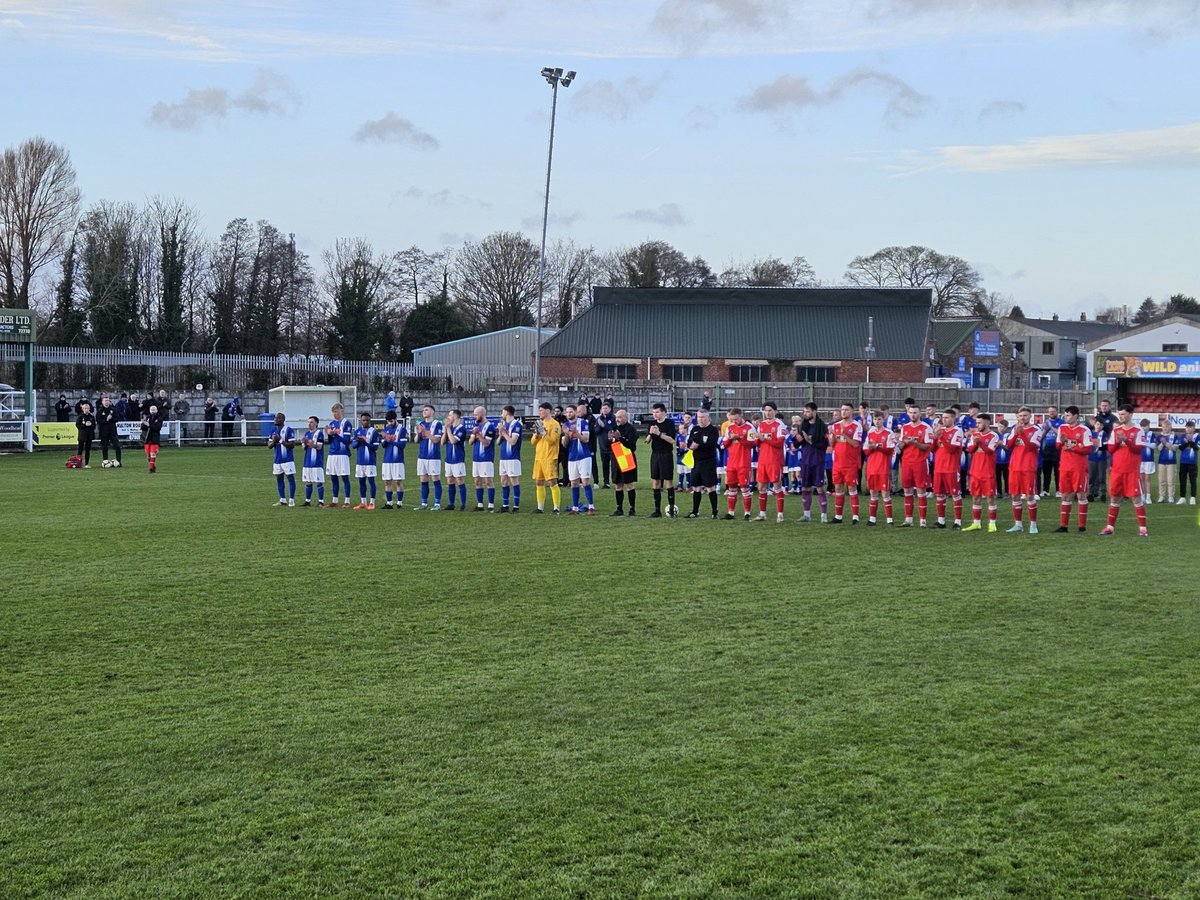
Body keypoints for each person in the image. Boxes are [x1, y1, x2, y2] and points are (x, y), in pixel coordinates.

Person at [1101, 403, 1149, 537]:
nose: (1121, 417)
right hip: (1117, 470)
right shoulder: (1116, 430)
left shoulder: (1138, 430)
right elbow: (1110, 449)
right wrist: (1118, 441)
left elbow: (1138, 449)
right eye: (1119, 414)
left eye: (1123, 414)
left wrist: (1126, 440)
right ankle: (1110, 527)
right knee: (1115, 498)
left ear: (1131, 414)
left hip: (1131, 471)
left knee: (1136, 499)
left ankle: (1143, 529)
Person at [1054, 405, 1093, 532]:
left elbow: (1088, 449)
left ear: (1076, 416)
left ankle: (1082, 527)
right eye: (1065, 415)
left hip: (1079, 468)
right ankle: (1063, 526)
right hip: (1065, 467)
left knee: (1081, 496)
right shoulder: (1062, 428)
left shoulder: (1084, 430)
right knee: (1065, 496)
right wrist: (1062, 441)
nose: (1066, 417)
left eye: (1068, 415)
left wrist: (1073, 448)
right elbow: (1058, 446)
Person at [1005, 407, 1042, 534]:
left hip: (1028, 467)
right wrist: (1016, 433)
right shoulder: (1014, 429)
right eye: (1020, 415)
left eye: (1025, 415)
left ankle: (1033, 525)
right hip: (1015, 467)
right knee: (1015, 496)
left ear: (1030, 416)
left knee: (1029, 496)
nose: (1022, 418)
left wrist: (1023, 434)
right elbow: (1008, 446)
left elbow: (1032, 447)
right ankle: (1018, 524)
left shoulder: (1036, 429)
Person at [962, 414, 1000, 532]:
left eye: (980, 423)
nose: (977, 425)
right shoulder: (975, 435)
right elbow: (970, 450)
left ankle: (992, 524)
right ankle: (976, 523)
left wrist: (980, 443)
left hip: (987, 472)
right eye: (977, 423)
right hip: (975, 471)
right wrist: (975, 443)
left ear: (987, 423)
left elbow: (990, 451)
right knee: (975, 498)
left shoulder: (993, 435)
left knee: (990, 498)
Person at [898, 401, 933, 527]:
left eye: (915, 413)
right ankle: (908, 519)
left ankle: (922, 520)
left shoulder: (926, 428)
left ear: (920, 414)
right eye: (911, 413)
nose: (913, 415)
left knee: (921, 491)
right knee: (907, 491)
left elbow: (928, 447)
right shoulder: (905, 427)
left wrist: (914, 443)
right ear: (908, 413)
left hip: (920, 462)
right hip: (907, 462)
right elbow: (900, 445)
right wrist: (903, 443)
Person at [829, 403, 864, 524]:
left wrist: (844, 435)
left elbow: (856, 444)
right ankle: (838, 516)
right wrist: (832, 436)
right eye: (842, 410)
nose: (843, 412)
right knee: (838, 488)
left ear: (852, 411)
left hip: (850, 463)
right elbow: (832, 444)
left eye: (846, 410)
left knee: (852, 488)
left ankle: (855, 517)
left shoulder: (856, 426)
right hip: (838, 463)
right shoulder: (836, 425)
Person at [753, 402, 788, 523]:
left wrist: (764, 439)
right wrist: (758, 439)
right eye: (766, 411)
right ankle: (762, 514)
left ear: (775, 411)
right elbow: (757, 443)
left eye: (770, 410)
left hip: (774, 460)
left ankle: (780, 514)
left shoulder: (780, 425)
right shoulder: (761, 425)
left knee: (777, 486)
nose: (767, 413)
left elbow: (779, 443)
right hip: (763, 460)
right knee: (761, 487)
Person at [685, 407, 721, 518]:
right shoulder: (695, 429)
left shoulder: (713, 430)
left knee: (710, 487)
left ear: (708, 418)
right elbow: (689, 442)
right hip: (696, 462)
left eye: (702, 417)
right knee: (696, 487)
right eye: (698, 417)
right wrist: (691, 446)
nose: (700, 419)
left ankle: (714, 512)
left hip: (708, 462)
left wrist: (699, 445)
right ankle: (695, 511)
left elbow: (712, 444)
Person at [796, 402, 829, 523]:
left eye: (808, 411)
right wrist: (798, 441)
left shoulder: (822, 426)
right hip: (805, 461)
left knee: (820, 488)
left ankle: (823, 516)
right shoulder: (802, 426)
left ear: (814, 411)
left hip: (818, 461)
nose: (805, 414)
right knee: (805, 487)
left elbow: (824, 445)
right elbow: (797, 444)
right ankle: (806, 515)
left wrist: (809, 440)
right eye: (804, 411)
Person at [931, 409, 964, 529]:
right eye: (943, 418)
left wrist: (942, 437)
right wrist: (935, 438)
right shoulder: (941, 431)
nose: (944, 420)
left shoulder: (957, 431)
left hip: (951, 468)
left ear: (953, 418)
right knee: (940, 495)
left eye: (947, 417)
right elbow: (933, 449)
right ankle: (941, 521)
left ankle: (957, 522)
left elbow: (952, 449)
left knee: (955, 494)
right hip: (939, 468)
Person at [721, 408, 755, 520]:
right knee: (731, 487)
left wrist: (739, 438)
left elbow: (752, 444)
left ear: (741, 416)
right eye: (732, 419)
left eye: (736, 419)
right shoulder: (730, 428)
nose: (734, 421)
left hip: (743, 463)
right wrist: (731, 439)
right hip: (732, 462)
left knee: (744, 488)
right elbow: (724, 444)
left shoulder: (749, 428)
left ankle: (747, 512)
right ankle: (731, 512)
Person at [645, 402, 677, 518]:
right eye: (653, 412)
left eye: (657, 412)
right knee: (655, 481)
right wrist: (650, 433)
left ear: (663, 412)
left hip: (666, 454)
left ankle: (671, 508)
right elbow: (647, 441)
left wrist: (659, 433)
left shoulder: (669, 423)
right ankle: (657, 510)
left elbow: (672, 440)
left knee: (668, 481)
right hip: (655, 455)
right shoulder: (652, 424)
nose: (655, 414)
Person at [863, 411, 895, 526]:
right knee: (873, 493)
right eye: (875, 419)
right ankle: (872, 519)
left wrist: (877, 446)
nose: (877, 421)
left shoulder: (888, 433)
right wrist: (871, 448)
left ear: (883, 420)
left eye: (879, 419)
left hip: (883, 467)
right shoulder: (870, 433)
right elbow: (865, 450)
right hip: (872, 468)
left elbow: (890, 450)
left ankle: (889, 519)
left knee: (885, 494)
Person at [563, 403, 596, 515]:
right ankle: (575, 508)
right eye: (567, 412)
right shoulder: (566, 425)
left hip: (584, 456)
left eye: (571, 412)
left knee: (585, 481)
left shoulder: (583, 423)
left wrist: (577, 434)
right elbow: (564, 444)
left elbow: (586, 439)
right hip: (572, 457)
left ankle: (591, 507)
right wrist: (566, 434)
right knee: (574, 483)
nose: (568, 414)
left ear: (576, 412)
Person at [531, 402, 563, 514]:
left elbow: (552, 441)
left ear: (548, 411)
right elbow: (533, 442)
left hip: (550, 457)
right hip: (539, 457)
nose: (539, 412)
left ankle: (556, 507)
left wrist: (544, 433)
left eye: (541, 410)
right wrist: (536, 434)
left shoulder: (555, 424)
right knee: (539, 482)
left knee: (552, 482)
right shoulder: (540, 423)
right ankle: (540, 507)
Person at [607, 408, 640, 516]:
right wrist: (609, 440)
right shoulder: (614, 428)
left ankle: (632, 509)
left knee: (629, 484)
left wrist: (620, 438)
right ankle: (619, 509)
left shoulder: (631, 429)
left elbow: (632, 446)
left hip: (627, 459)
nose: (617, 419)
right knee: (618, 484)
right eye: (616, 417)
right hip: (616, 459)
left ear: (625, 418)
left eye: (620, 417)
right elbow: (609, 445)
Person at [414, 404, 445, 510]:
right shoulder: (421, 424)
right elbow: (416, 441)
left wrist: (425, 432)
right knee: (423, 480)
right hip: (422, 456)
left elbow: (437, 440)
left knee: (435, 479)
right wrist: (418, 433)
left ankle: (437, 504)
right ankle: (424, 503)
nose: (424, 411)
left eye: (426, 410)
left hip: (433, 456)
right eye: (423, 410)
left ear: (432, 412)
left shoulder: (437, 424)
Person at [323, 403, 354, 508]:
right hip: (332, 454)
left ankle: (347, 501)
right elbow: (330, 441)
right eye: (333, 412)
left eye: (336, 411)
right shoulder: (332, 423)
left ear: (341, 410)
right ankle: (334, 501)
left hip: (342, 454)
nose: (335, 414)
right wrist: (328, 433)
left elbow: (346, 440)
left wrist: (334, 434)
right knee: (333, 477)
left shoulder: (346, 424)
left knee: (344, 477)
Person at [468, 405, 496, 511]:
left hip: (486, 458)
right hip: (476, 458)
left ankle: (491, 505)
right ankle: (480, 505)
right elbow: (470, 442)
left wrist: (478, 435)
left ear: (482, 414)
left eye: (476, 415)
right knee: (477, 481)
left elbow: (487, 443)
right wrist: (474, 436)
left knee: (488, 481)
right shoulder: (476, 425)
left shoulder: (490, 427)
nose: (474, 416)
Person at [441, 409, 469, 511]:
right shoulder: (450, 428)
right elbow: (442, 443)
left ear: (455, 416)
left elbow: (453, 441)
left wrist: (448, 429)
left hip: (458, 458)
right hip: (448, 458)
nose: (448, 417)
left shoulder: (461, 429)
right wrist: (446, 429)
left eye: (450, 415)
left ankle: (463, 504)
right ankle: (451, 504)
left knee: (459, 480)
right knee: (450, 480)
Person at [267, 411, 297, 506]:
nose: (276, 419)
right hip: (277, 460)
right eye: (275, 418)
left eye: (278, 418)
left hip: (287, 460)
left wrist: (280, 440)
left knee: (290, 479)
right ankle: (282, 499)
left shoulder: (288, 430)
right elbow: (269, 446)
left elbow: (292, 445)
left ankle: (291, 500)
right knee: (279, 479)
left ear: (283, 420)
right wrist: (274, 442)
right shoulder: (273, 430)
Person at [496, 406, 522, 513]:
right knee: (503, 480)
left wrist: (504, 432)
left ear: (506, 412)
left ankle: (516, 506)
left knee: (514, 480)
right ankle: (505, 505)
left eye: (502, 412)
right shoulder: (504, 424)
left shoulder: (517, 424)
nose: (501, 414)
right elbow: (498, 443)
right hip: (503, 458)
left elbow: (513, 441)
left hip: (513, 457)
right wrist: (500, 433)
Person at [352, 411, 380, 509]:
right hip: (360, 461)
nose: (365, 422)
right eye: (363, 420)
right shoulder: (357, 431)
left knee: (371, 482)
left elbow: (375, 447)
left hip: (370, 462)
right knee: (361, 482)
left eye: (367, 420)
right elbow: (353, 445)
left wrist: (365, 442)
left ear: (370, 421)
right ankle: (363, 502)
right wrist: (359, 441)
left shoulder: (374, 432)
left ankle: (372, 502)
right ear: (361, 421)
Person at [381, 409, 407, 508]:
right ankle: (389, 503)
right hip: (387, 459)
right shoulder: (386, 429)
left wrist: (390, 440)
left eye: (391, 421)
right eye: (388, 421)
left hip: (398, 460)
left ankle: (399, 503)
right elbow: (383, 445)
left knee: (398, 481)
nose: (390, 423)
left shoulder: (402, 429)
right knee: (387, 481)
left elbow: (402, 445)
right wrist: (385, 439)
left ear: (395, 419)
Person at [301, 415, 327, 507]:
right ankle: (307, 501)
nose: (309, 424)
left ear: (316, 423)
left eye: (311, 422)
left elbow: (319, 447)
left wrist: (311, 444)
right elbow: (304, 448)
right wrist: (304, 443)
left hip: (317, 462)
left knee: (319, 482)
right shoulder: (307, 434)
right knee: (308, 482)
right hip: (307, 462)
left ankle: (321, 501)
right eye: (308, 422)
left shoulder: (319, 433)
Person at [1039, 405, 1064, 496]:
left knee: (1058, 471)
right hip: (1047, 449)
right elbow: (1041, 437)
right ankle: (1046, 490)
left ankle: (1059, 490)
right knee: (1046, 471)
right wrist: (1045, 430)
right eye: (1050, 411)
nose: (1051, 413)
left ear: (1057, 412)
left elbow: (1061, 434)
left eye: (1053, 411)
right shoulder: (1046, 422)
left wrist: (1052, 427)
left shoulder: (1061, 422)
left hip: (1058, 449)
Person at [96, 393, 122, 467]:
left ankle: (119, 462)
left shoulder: (113, 409)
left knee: (117, 446)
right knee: (104, 447)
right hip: (104, 431)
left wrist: (111, 419)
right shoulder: (100, 411)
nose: (107, 402)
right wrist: (106, 420)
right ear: (102, 402)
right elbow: (98, 420)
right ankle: (105, 461)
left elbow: (117, 418)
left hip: (112, 431)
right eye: (105, 400)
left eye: (108, 400)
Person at [1085, 415, 1107, 503]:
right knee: (1091, 476)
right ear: (1094, 424)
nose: (1099, 426)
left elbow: (1105, 445)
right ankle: (1091, 493)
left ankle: (1103, 493)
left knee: (1101, 477)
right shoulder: (1090, 433)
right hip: (1092, 458)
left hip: (1101, 459)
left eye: (1101, 425)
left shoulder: (1103, 434)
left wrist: (1099, 447)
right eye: (1098, 424)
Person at [1156, 417, 1178, 504]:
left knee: (1171, 480)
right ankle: (1162, 496)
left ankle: (1171, 496)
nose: (1165, 428)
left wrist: (1166, 443)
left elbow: (1174, 448)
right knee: (1161, 480)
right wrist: (1162, 443)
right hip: (1161, 461)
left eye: (1167, 426)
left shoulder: (1174, 436)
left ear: (1170, 427)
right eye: (1164, 427)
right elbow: (1159, 449)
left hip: (1171, 462)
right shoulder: (1160, 436)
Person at [595, 402, 616, 488]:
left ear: (610, 409)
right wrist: (600, 426)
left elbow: (613, 429)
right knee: (605, 465)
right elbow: (596, 431)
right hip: (602, 446)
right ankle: (606, 482)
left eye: (606, 408)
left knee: (614, 465)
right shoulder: (599, 419)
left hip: (613, 446)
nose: (604, 410)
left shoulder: (614, 418)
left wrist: (604, 425)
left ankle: (616, 481)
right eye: (603, 408)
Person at [1178, 421, 1198, 505]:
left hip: (1192, 462)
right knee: (1182, 480)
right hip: (1183, 462)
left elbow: (1197, 448)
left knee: (1193, 480)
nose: (1189, 429)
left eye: (1190, 427)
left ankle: (1193, 497)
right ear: (1185, 428)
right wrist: (1187, 442)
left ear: (1194, 428)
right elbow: (1181, 448)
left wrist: (1190, 442)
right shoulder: (1183, 436)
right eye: (1187, 427)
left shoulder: (1197, 437)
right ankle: (1182, 497)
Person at [1137, 418, 1156, 505]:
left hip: (1149, 459)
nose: (1144, 428)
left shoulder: (1151, 434)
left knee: (1147, 478)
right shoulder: (1139, 434)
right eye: (1143, 426)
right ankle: (1142, 495)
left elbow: (1154, 446)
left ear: (1149, 426)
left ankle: (1148, 496)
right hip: (1140, 459)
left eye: (1146, 426)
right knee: (1141, 478)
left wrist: (1145, 443)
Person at [675, 411, 694, 495]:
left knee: (688, 470)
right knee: (681, 471)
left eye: (689, 417)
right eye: (685, 417)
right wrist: (678, 450)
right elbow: (677, 444)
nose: (687, 419)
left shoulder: (693, 428)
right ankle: (680, 485)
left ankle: (689, 485)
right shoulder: (679, 436)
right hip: (680, 456)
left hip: (688, 455)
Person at [143, 405, 164, 473]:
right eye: (151, 410)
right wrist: (143, 423)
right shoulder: (148, 418)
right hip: (147, 439)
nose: (152, 411)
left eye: (154, 409)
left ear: (156, 410)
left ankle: (151, 469)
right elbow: (143, 428)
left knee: (152, 454)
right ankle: (153, 466)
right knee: (148, 456)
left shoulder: (159, 418)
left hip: (154, 438)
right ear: (149, 411)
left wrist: (149, 425)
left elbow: (157, 428)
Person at [75, 401, 96, 468]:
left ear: (89, 409)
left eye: (87, 408)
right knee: (80, 450)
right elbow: (77, 425)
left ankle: (86, 463)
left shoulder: (91, 417)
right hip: (82, 435)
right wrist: (84, 425)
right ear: (82, 409)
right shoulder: (80, 417)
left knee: (87, 450)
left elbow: (94, 426)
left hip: (89, 435)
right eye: (85, 408)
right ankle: (79, 463)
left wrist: (90, 425)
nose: (86, 409)